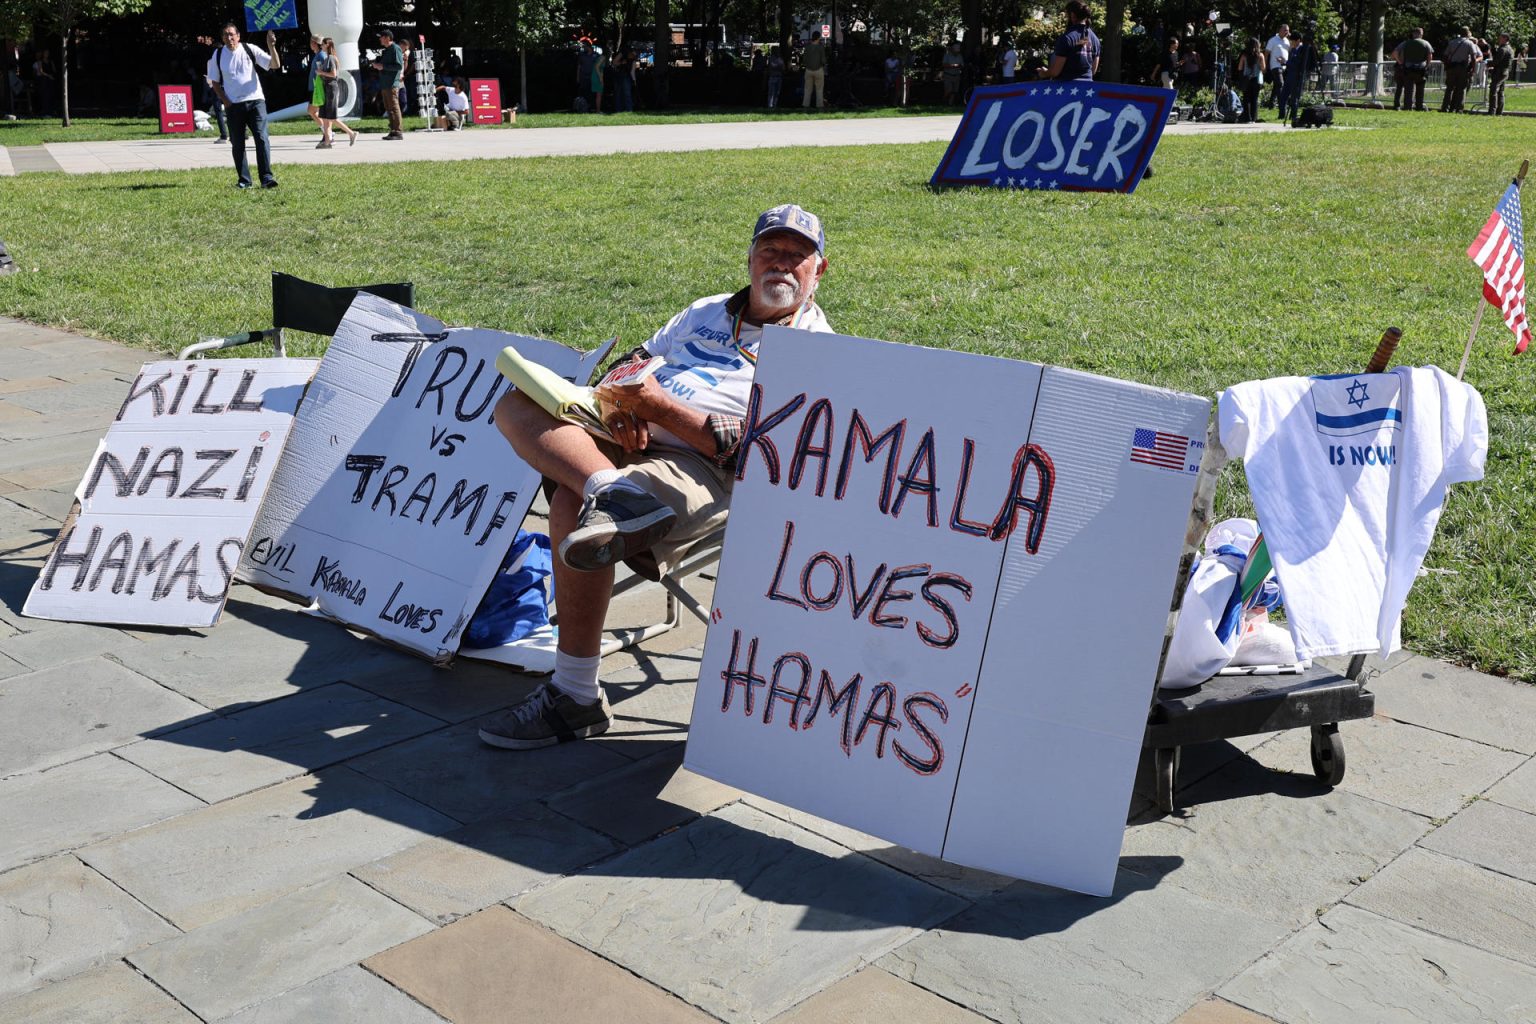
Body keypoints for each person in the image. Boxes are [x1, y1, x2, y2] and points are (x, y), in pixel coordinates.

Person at [479, 204, 833, 750]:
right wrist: (619, 402)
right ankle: (610, 490)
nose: (781, 264)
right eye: (770, 250)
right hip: (618, 440)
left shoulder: (820, 349)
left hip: (701, 469)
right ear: (750, 257)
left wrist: (662, 410)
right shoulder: (706, 311)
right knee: (515, 405)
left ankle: (574, 697)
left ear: (819, 270)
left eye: (796, 255)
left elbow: (765, 451)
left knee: (576, 514)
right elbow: (630, 363)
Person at [207, 22, 282, 189]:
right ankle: (244, 181)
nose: (229, 37)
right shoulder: (218, 54)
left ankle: (267, 178)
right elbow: (215, 82)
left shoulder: (249, 49)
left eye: (232, 34)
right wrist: (226, 101)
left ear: (238, 36)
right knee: (238, 143)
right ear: (222, 38)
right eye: (226, 35)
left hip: (256, 101)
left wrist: (271, 46)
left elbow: (274, 65)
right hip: (234, 106)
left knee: (262, 139)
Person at [1047, 1, 1101, 81]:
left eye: (1067, 15)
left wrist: (1044, 73)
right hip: (1087, 89)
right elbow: (1093, 70)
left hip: (1066, 89)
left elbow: (1055, 72)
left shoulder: (1067, 38)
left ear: (1072, 15)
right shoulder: (1095, 39)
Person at [317, 38, 357, 146]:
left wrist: (321, 72)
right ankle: (327, 141)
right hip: (328, 88)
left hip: (331, 88)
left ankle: (350, 133)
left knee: (330, 116)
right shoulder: (328, 58)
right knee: (325, 116)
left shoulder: (331, 58)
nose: (321, 46)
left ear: (327, 45)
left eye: (323, 44)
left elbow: (333, 74)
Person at [371, 29, 404, 139]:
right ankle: (393, 130)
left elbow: (399, 66)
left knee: (394, 107)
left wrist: (382, 66)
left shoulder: (395, 48)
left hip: (391, 84)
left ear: (388, 38)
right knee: (389, 108)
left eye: (381, 37)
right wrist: (379, 65)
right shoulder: (387, 50)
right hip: (385, 84)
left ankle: (398, 132)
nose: (380, 39)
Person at [1441, 26, 1478, 112]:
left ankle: (1445, 107)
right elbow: (1473, 57)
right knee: (1462, 88)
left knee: (1449, 88)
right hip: (1463, 68)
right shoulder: (1469, 43)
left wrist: (1446, 67)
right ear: (1468, 33)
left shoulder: (1452, 42)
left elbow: (1445, 55)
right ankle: (1459, 108)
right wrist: (1473, 69)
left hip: (1452, 67)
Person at [1278, 33, 1311, 123]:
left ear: (1298, 41)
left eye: (1292, 41)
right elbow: (1291, 63)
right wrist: (1284, 62)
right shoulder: (1292, 50)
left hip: (1297, 77)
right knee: (1283, 96)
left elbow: (1297, 64)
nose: (1291, 43)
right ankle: (1281, 115)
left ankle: (1293, 116)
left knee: (1294, 98)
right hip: (1289, 76)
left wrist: (1286, 62)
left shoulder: (1302, 50)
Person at [1397, 28, 1432, 111]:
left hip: (1408, 69)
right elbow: (1430, 55)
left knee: (1408, 90)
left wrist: (1401, 63)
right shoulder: (1426, 43)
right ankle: (1419, 107)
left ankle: (1407, 107)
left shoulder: (1406, 43)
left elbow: (1395, 53)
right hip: (1421, 69)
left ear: (1413, 34)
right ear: (1421, 34)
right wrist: (1427, 65)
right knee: (1420, 89)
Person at [1236, 37, 1266, 122]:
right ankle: (1254, 117)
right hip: (1256, 79)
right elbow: (1263, 68)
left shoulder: (1244, 55)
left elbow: (1239, 68)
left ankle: (1247, 117)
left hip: (1247, 79)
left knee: (1246, 98)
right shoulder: (1260, 55)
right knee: (1254, 99)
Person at [1264, 24, 1290, 108]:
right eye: (1285, 30)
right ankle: (1282, 104)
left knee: (1277, 85)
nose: (1287, 32)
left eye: (1288, 30)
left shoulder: (1287, 41)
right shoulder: (1273, 40)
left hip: (1285, 66)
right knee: (1280, 83)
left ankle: (1271, 104)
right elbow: (1266, 53)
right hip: (1275, 65)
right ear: (1280, 30)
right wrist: (1265, 65)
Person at [1488, 32, 1515, 115]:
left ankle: (1492, 111)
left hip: (1499, 72)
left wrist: (1488, 64)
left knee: (1493, 90)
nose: (1499, 39)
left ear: (1505, 39)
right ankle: (1499, 111)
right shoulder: (1510, 49)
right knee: (1501, 92)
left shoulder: (1502, 49)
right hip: (1505, 72)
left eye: (1500, 38)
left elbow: (1496, 61)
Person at [802, 31, 827, 108]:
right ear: (818, 37)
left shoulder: (807, 47)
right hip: (818, 70)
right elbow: (823, 60)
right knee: (819, 90)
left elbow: (804, 60)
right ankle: (819, 106)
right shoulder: (820, 48)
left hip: (808, 70)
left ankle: (805, 106)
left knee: (807, 90)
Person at [612, 47, 636, 112]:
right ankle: (623, 109)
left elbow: (632, 71)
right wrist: (621, 63)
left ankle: (627, 109)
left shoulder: (632, 60)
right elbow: (614, 63)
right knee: (620, 93)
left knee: (625, 93)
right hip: (620, 76)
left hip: (625, 76)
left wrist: (634, 80)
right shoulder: (623, 54)